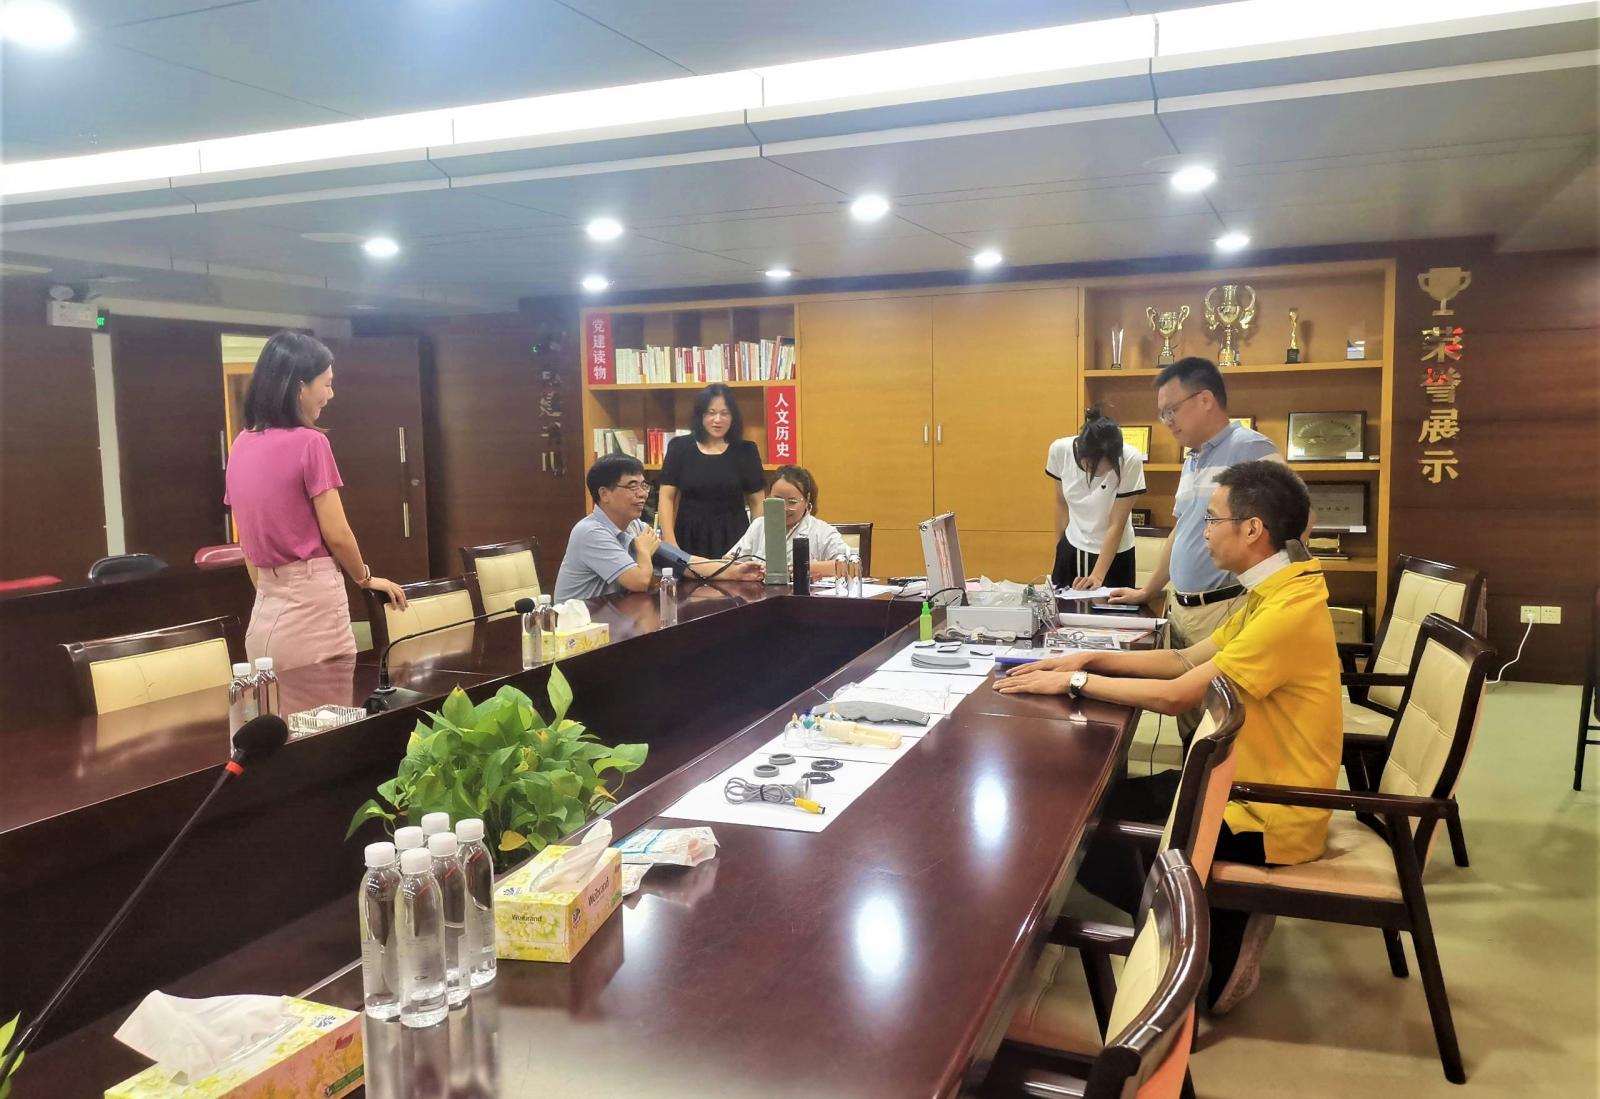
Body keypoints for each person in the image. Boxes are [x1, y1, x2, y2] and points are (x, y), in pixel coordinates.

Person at [998, 459, 1341, 1013]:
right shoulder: (1273, 590)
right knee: (1097, 808)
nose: (1203, 532)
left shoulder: (1287, 611)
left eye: (1213, 519)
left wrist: (1076, 683)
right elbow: (1184, 660)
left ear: (1252, 529)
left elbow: (1177, 695)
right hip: (1236, 782)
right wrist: (1089, 659)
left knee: (1083, 836)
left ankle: (1210, 942)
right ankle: (1210, 914)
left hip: (1265, 810)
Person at [1105, 357, 1289, 746]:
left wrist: (1264, 594)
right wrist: (1149, 590)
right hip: (1183, 607)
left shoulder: (1249, 446)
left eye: (1172, 410)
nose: (1167, 421)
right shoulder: (1193, 458)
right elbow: (1182, 531)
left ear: (1205, 399)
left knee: (1223, 721)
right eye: (1162, 414)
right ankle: (1193, 782)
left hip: (1225, 606)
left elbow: (1298, 519)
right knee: (1194, 726)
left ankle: (1219, 785)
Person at [225, 331, 408, 670]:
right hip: (312, 607)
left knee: (275, 701)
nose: (330, 394)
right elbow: (337, 534)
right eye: (326, 384)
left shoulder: (240, 445)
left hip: (265, 609)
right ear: (300, 388)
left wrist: (274, 586)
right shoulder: (311, 443)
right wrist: (365, 579)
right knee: (331, 700)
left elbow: (248, 543)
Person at [555, 453, 763, 602]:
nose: (642, 494)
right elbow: (639, 582)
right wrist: (644, 552)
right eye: (632, 486)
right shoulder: (590, 532)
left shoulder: (634, 526)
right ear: (604, 494)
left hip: (611, 618)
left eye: (644, 485)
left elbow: (685, 562)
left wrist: (735, 572)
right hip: (577, 631)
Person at [658, 383, 766, 558]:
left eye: (725, 413)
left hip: (734, 537)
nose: (718, 419)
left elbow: (758, 503)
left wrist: (753, 545)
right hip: (688, 535)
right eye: (711, 412)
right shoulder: (679, 447)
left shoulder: (746, 451)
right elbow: (666, 497)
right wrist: (670, 542)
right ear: (701, 415)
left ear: (733, 417)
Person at [1045, 408, 1146, 591]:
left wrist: (1098, 576)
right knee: (1064, 606)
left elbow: (1117, 523)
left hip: (1116, 552)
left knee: (1113, 608)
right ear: (1082, 454)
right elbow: (1061, 503)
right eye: (1095, 468)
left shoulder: (1130, 458)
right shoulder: (1060, 451)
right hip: (1073, 544)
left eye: (1108, 468)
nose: (1102, 473)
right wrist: (1059, 551)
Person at [725, 465, 853, 578]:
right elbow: (727, 561)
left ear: (807, 500)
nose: (784, 508)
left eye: (792, 502)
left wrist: (798, 568)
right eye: (777, 500)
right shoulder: (759, 525)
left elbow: (847, 565)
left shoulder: (822, 531)